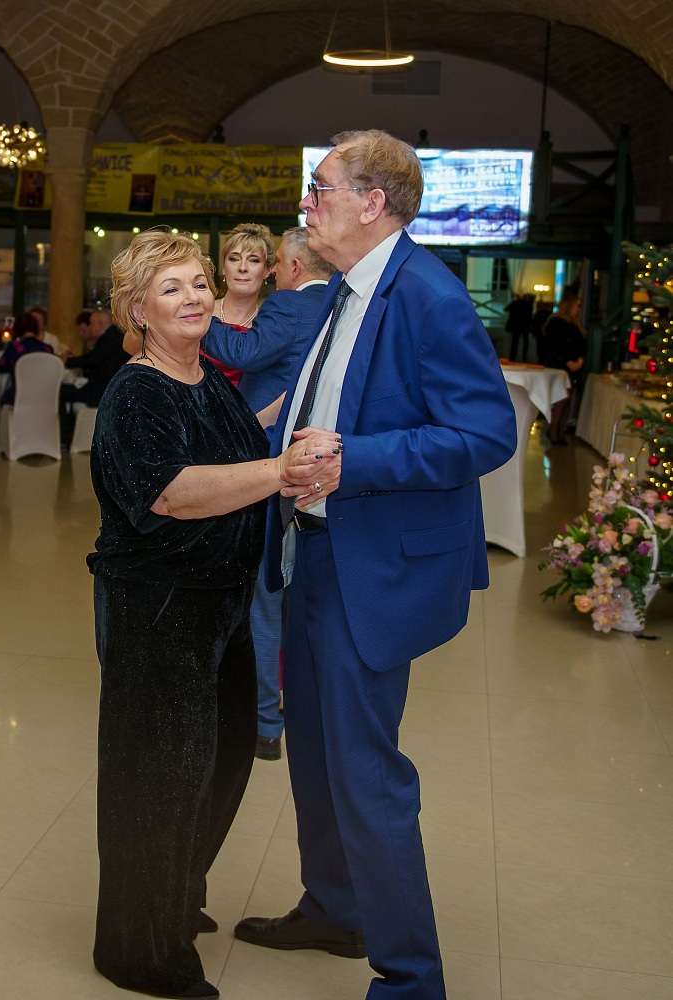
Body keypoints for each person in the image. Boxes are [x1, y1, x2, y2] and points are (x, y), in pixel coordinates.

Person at [233, 130, 517, 1000]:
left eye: (319, 188)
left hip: (373, 567)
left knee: (364, 771)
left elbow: (485, 433)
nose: (305, 204)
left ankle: (411, 979)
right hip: (314, 552)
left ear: (372, 203)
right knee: (316, 755)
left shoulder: (427, 296)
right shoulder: (340, 291)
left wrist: (356, 460)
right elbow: (315, 405)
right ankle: (335, 908)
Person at [87, 229, 339, 999]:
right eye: (172, 288)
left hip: (220, 610)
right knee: (158, 780)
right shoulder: (138, 392)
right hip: (160, 613)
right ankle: (141, 949)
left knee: (219, 765)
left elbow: (244, 444)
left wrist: (305, 422)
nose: (195, 297)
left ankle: (172, 897)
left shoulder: (204, 379)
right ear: (138, 310)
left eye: (199, 282)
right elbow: (172, 493)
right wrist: (278, 471)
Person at [202, 226, 334, 761]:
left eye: (271, 261)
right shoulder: (342, 303)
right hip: (315, 465)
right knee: (292, 590)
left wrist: (183, 310)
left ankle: (263, 722)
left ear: (291, 268)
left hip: (264, 462)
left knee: (263, 593)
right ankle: (287, 713)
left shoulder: (289, 305)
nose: (272, 270)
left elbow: (242, 349)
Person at [203, 222, 275, 386]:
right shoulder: (201, 311)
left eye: (254, 260)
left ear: (267, 270)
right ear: (223, 267)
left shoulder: (269, 327)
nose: (242, 268)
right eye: (234, 259)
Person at [59, 309, 130, 448]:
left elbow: (92, 359)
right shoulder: (112, 336)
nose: (90, 327)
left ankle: (64, 438)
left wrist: (67, 361)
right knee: (65, 391)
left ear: (101, 323)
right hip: (103, 387)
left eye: (91, 324)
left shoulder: (111, 338)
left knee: (60, 392)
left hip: (100, 392)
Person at [540, 290, 586, 444]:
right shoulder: (556, 323)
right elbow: (554, 345)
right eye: (577, 306)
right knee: (562, 398)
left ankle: (560, 430)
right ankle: (553, 430)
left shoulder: (575, 325)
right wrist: (567, 361)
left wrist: (580, 360)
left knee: (568, 400)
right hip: (559, 365)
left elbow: (580, 345)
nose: (579, 309)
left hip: (572, 365)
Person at [0, 311, 54, 405]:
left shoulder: (14, 347)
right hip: (45, 399)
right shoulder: (48, 349)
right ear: (36, 329)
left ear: (17, 330)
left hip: (19, 397)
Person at [504, 292, 534, 361]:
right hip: (524, 326)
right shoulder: (529, 305)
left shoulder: (516, 303)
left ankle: (512, 357)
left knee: (515, 343)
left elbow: (506, 309)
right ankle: (524, 357)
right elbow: (529, 317)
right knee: (525, 343)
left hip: (516, 326)